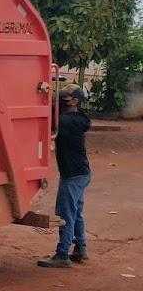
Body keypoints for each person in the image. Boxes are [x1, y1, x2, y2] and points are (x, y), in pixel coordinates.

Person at [38, 84, 92, 268]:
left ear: (75, 101)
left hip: (73, 175)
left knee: (66, 213)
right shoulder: (78, 119)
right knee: (75, 212)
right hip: (80, 173)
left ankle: (62, 254)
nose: (61, 97)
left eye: (67, 95)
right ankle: (80, 248)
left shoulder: (67, 122)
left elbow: (50, 122)